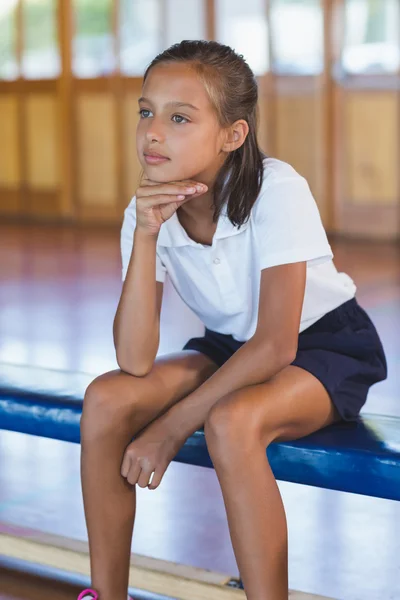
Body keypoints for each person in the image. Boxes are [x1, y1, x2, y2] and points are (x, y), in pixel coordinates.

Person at [78, 40, 387, 600]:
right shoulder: (145, 211)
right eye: (146, 111)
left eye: (179, 118)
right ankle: (105, 595)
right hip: (229, 343)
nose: (152, 131)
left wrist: (171, 428)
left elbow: (275, 345)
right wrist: (147, 234)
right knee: (106, 397)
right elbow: (134, 360)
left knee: (232, 422)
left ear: (232, 134)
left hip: (321, 346)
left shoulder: (277, 190)